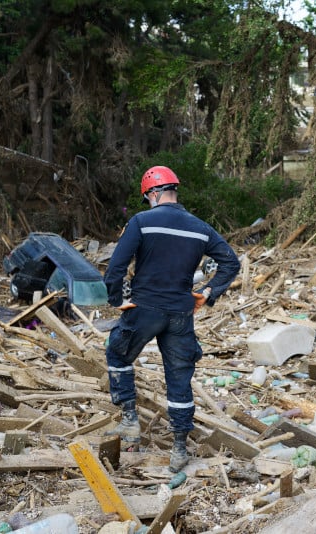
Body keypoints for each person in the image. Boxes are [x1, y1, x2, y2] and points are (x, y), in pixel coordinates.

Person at [103, 165, 240, 472]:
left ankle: (129, 421)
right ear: (173, 190)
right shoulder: (200, 227)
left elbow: (115, 270)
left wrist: (118, 301)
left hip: (145, 308)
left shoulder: (141, 222)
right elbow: (230, 263)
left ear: (152, 193)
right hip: (181, 312)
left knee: (117, 353)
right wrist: (207, 292)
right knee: (179, 377)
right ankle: (179, 448)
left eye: (147, 196)